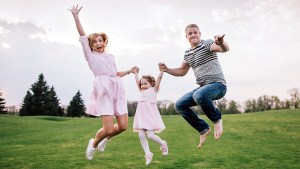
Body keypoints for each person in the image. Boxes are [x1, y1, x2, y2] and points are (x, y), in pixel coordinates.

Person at [69, 4, 137, 160]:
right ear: (91, 45)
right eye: (94, 42)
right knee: (107, 128)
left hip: (117, 89)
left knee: (123, 126)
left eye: (100, 40)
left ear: (104, 41)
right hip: (104, 91)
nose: (98, 43)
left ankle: (106, 139)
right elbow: (83, 35)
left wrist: (129, 71)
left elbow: (115, 73)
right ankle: (93, 144)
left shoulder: (110, 57)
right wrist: (76, 16)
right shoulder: (90, 55)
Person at [158, 24, 229, 148]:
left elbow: (224, 49)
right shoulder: (188, 53)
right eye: (190, 33)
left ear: (200, 34)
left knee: (199, 95)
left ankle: (217, 119)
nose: (193, 35)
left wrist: (222, 43)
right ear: (186, 37)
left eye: (195, 32)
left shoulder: (206, 44)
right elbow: (182, 71)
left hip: (218, 85)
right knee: (179, 104)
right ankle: (203, 129)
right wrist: (167, 69)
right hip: (202, 88)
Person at [132, 68, 168, 165]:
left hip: (150, 116)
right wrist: (135, 73)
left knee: (151, 136)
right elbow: (137, 82)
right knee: (141, 135)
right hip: (141, 116)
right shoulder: (142, 91)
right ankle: (148, 153)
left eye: (145, 84)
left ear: (151, 84)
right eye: (142, 84)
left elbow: (159, 79)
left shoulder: (153, 90)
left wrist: (162, 70)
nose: (143, 86)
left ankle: (163, 144)